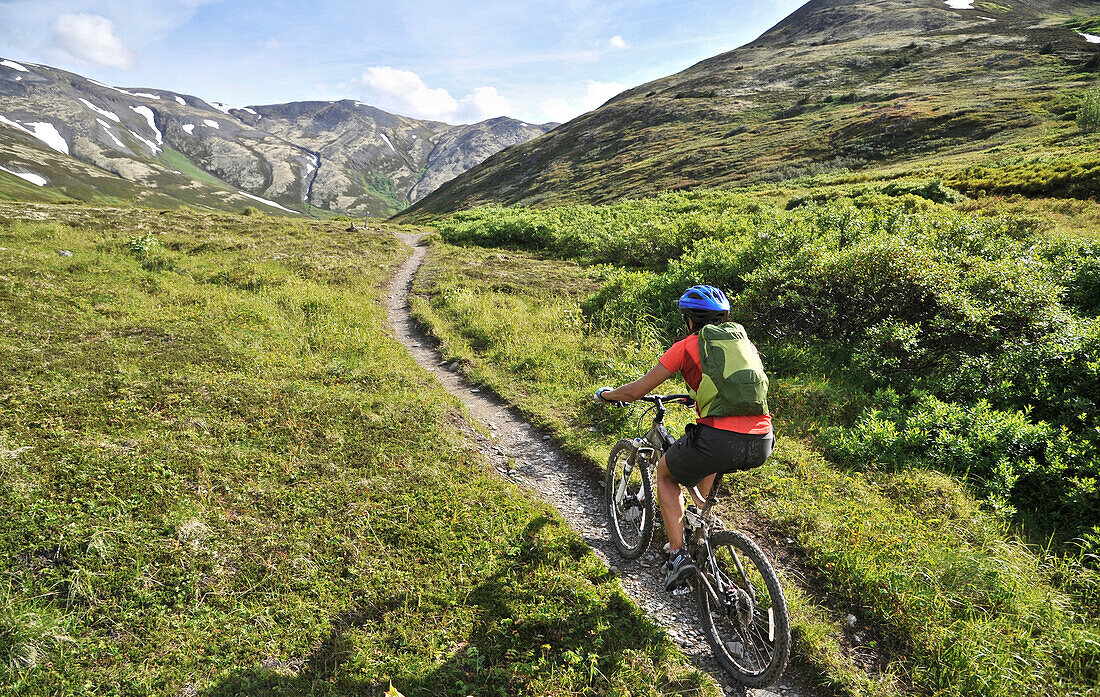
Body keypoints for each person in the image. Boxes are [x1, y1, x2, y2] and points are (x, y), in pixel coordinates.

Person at [594, 284, 774, 592]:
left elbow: (638, 390)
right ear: (722, 317)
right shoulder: (744, 343)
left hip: (718, 437)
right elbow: (732, 384)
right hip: (762, 439)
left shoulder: (686, 345)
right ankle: (697, 524)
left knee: (665, 473)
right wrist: (695, 396)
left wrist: (608, 395)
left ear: (689, 319)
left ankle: (677, 556)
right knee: (711, 458)